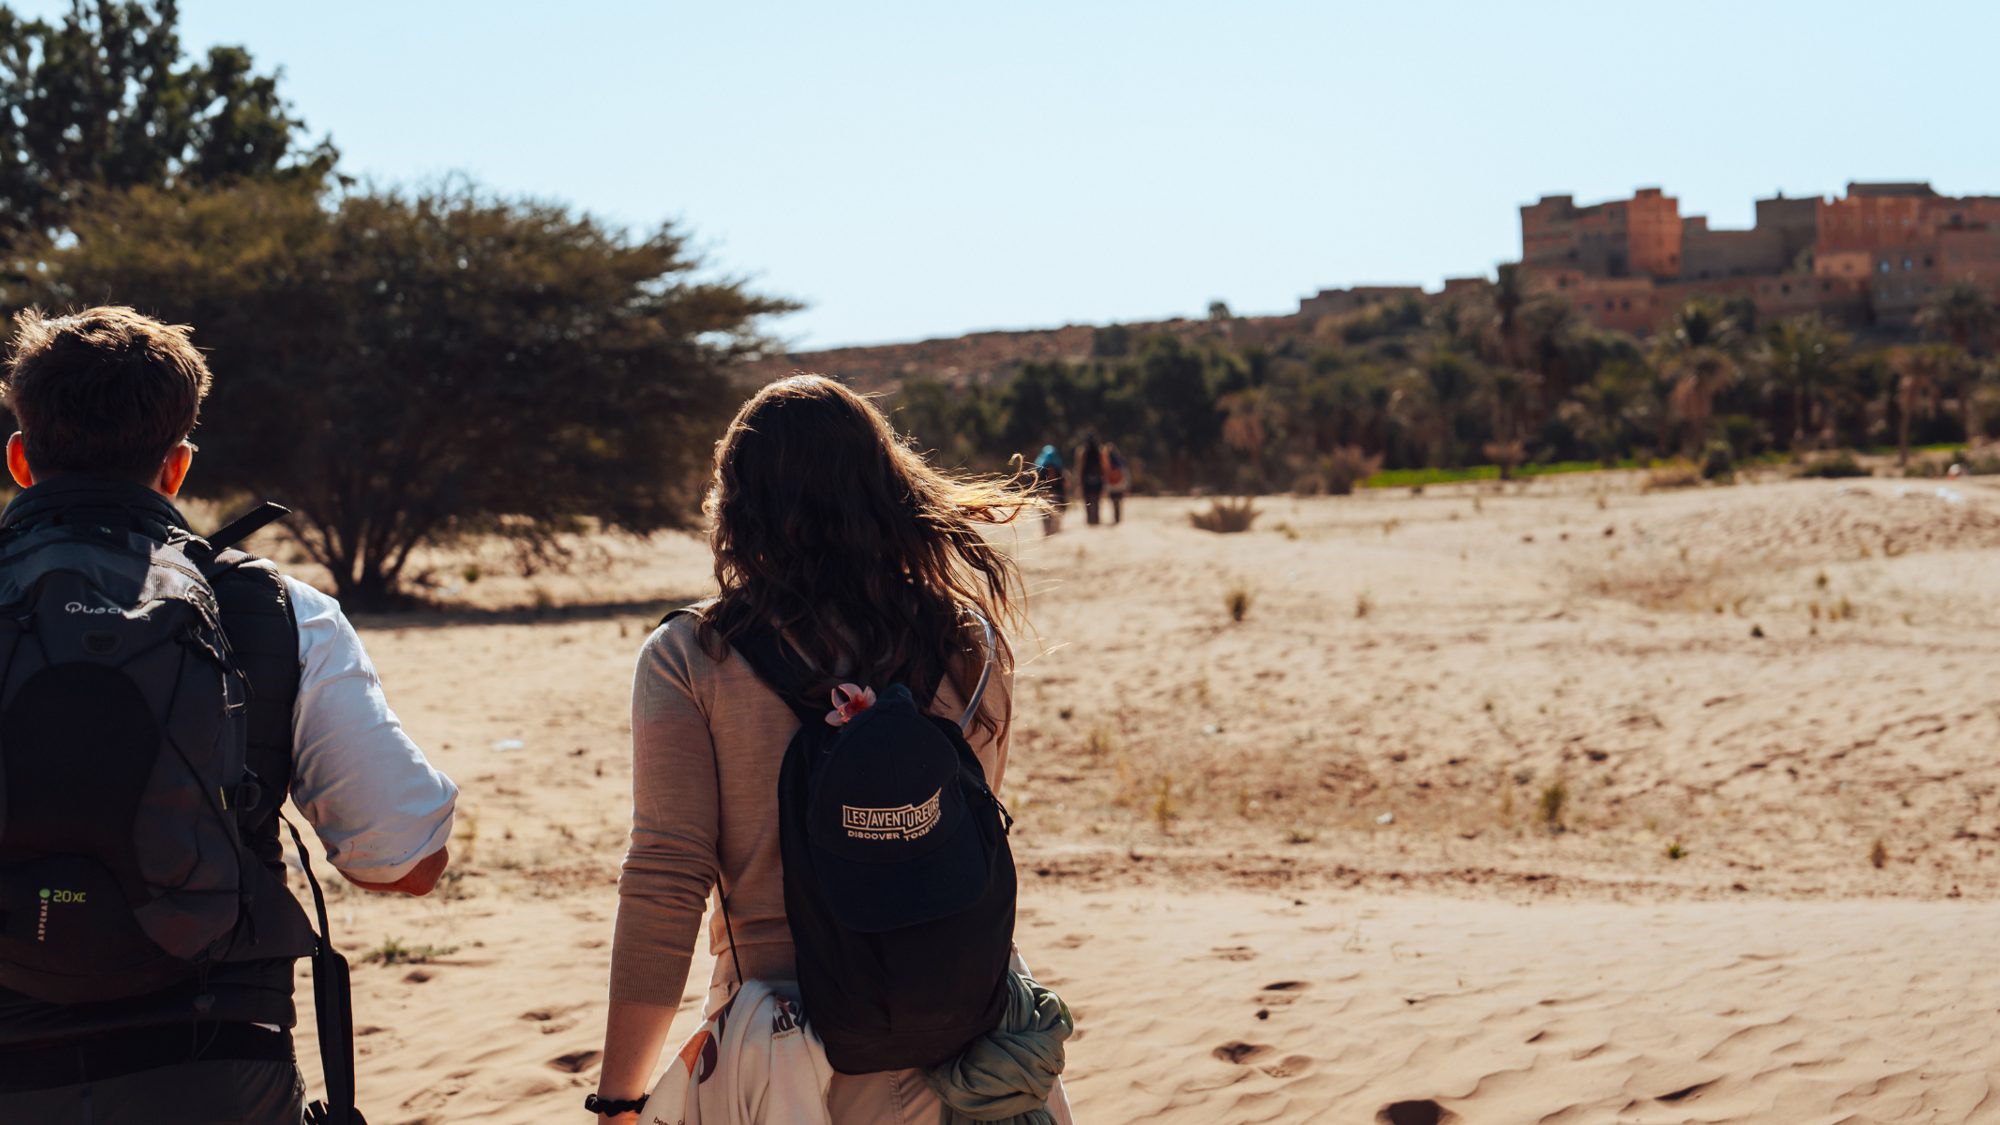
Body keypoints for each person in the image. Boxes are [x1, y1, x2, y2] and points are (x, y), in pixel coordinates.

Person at [0, 307, 458, 1124]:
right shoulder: (280, 610)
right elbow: (405, 859)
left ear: (20, 458)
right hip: (216, 1064)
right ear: (176, 468)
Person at [596, 375, 1070, 1124]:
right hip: (965, 1038)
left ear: (736, 506)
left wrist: (618, 1097)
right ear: (889, 488)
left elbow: (666, 877)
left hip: (783, 1052)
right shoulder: (970, 646)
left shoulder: (690, 658)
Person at [1032, 443, 1066, 535]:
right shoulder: (1057, 465)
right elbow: (1060, 482)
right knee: (1054, 513)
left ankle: (1047, 532)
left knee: (1044, 515)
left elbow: (1035, 483)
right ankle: (1054, 532)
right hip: (1054, 493)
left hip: (1043, 494)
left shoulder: (1039, 467)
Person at [1075, 432, 1105, 527]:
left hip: (1086, 479)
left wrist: (1079, 480)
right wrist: (1105, 478)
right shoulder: (1100, 451)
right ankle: (1096, 519)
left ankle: (1089, 520)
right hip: (1097, 478)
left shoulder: (1082, 451)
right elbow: (1104, 466)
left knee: (1087, 499)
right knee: (1096, 500)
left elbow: (1080, 467)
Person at [1103, 442, 1130, 524]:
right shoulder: (1121, 460)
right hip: (1120, 484)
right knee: (1118, 501)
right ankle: (1118, 517)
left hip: (1111, 485)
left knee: (1113, 501)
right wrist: (1127, 484)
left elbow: (1104, 474)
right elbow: (1125, 473)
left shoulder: (1106, 461)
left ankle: (1115, 516)